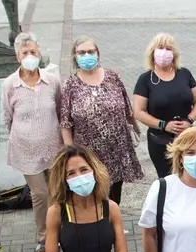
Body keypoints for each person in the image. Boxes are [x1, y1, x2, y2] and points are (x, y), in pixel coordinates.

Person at [2, 32, 64, 252]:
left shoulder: (52, 80)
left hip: (53, 147)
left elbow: (59, 109)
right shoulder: (10, 84)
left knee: (56, 192)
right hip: (26, 150)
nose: (30, 56)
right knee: (40, 193)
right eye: (25, 53)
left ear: (39, 53)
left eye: (33, 52)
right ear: (18, 56)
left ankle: (58, 231)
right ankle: (43, 237)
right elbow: (7, 116)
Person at [60, 37, 143, 205]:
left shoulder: (112, 77)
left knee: (114, 194)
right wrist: (70, 152)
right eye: (82, 52)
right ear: (75, 57)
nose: (87, 55)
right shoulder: (71, 84)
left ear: (98, 54)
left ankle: (113, 223)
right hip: (89, 152)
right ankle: (98, 224)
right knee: (94, 194)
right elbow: (65, 122)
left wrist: (136, 129)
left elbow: (127, 107)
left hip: (116, 149)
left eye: (91, 51)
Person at [132, 33, 196, 178]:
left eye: (168, 48)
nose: (164, 52)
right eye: (160, 48)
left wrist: (189, 120)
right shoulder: (146, 79)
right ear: (152, 52)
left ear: (174, 53)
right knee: (168, 179)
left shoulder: (184, 74)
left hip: (187, 137)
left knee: (190, 176)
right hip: (160, 140)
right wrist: (163, 125)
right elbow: (138, 111)